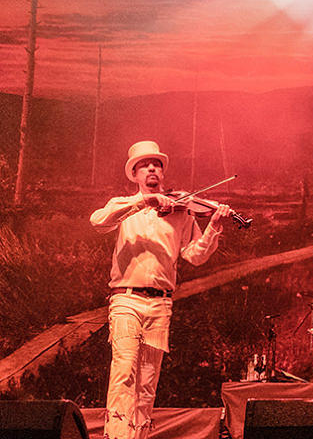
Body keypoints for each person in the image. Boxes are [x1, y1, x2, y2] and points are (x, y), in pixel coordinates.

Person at [90, 141, 231, 439]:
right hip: (126, 299)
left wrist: (214, 227)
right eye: (145, 165)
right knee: (124, 372)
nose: (152, 168)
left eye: (157, 164)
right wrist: (145, 202)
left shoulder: (181, 210)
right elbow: (98, 221)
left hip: (161, 305)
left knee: (146, 382)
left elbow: (194, 255)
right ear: (135, 174)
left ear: (162, 172)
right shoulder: (123, 207)